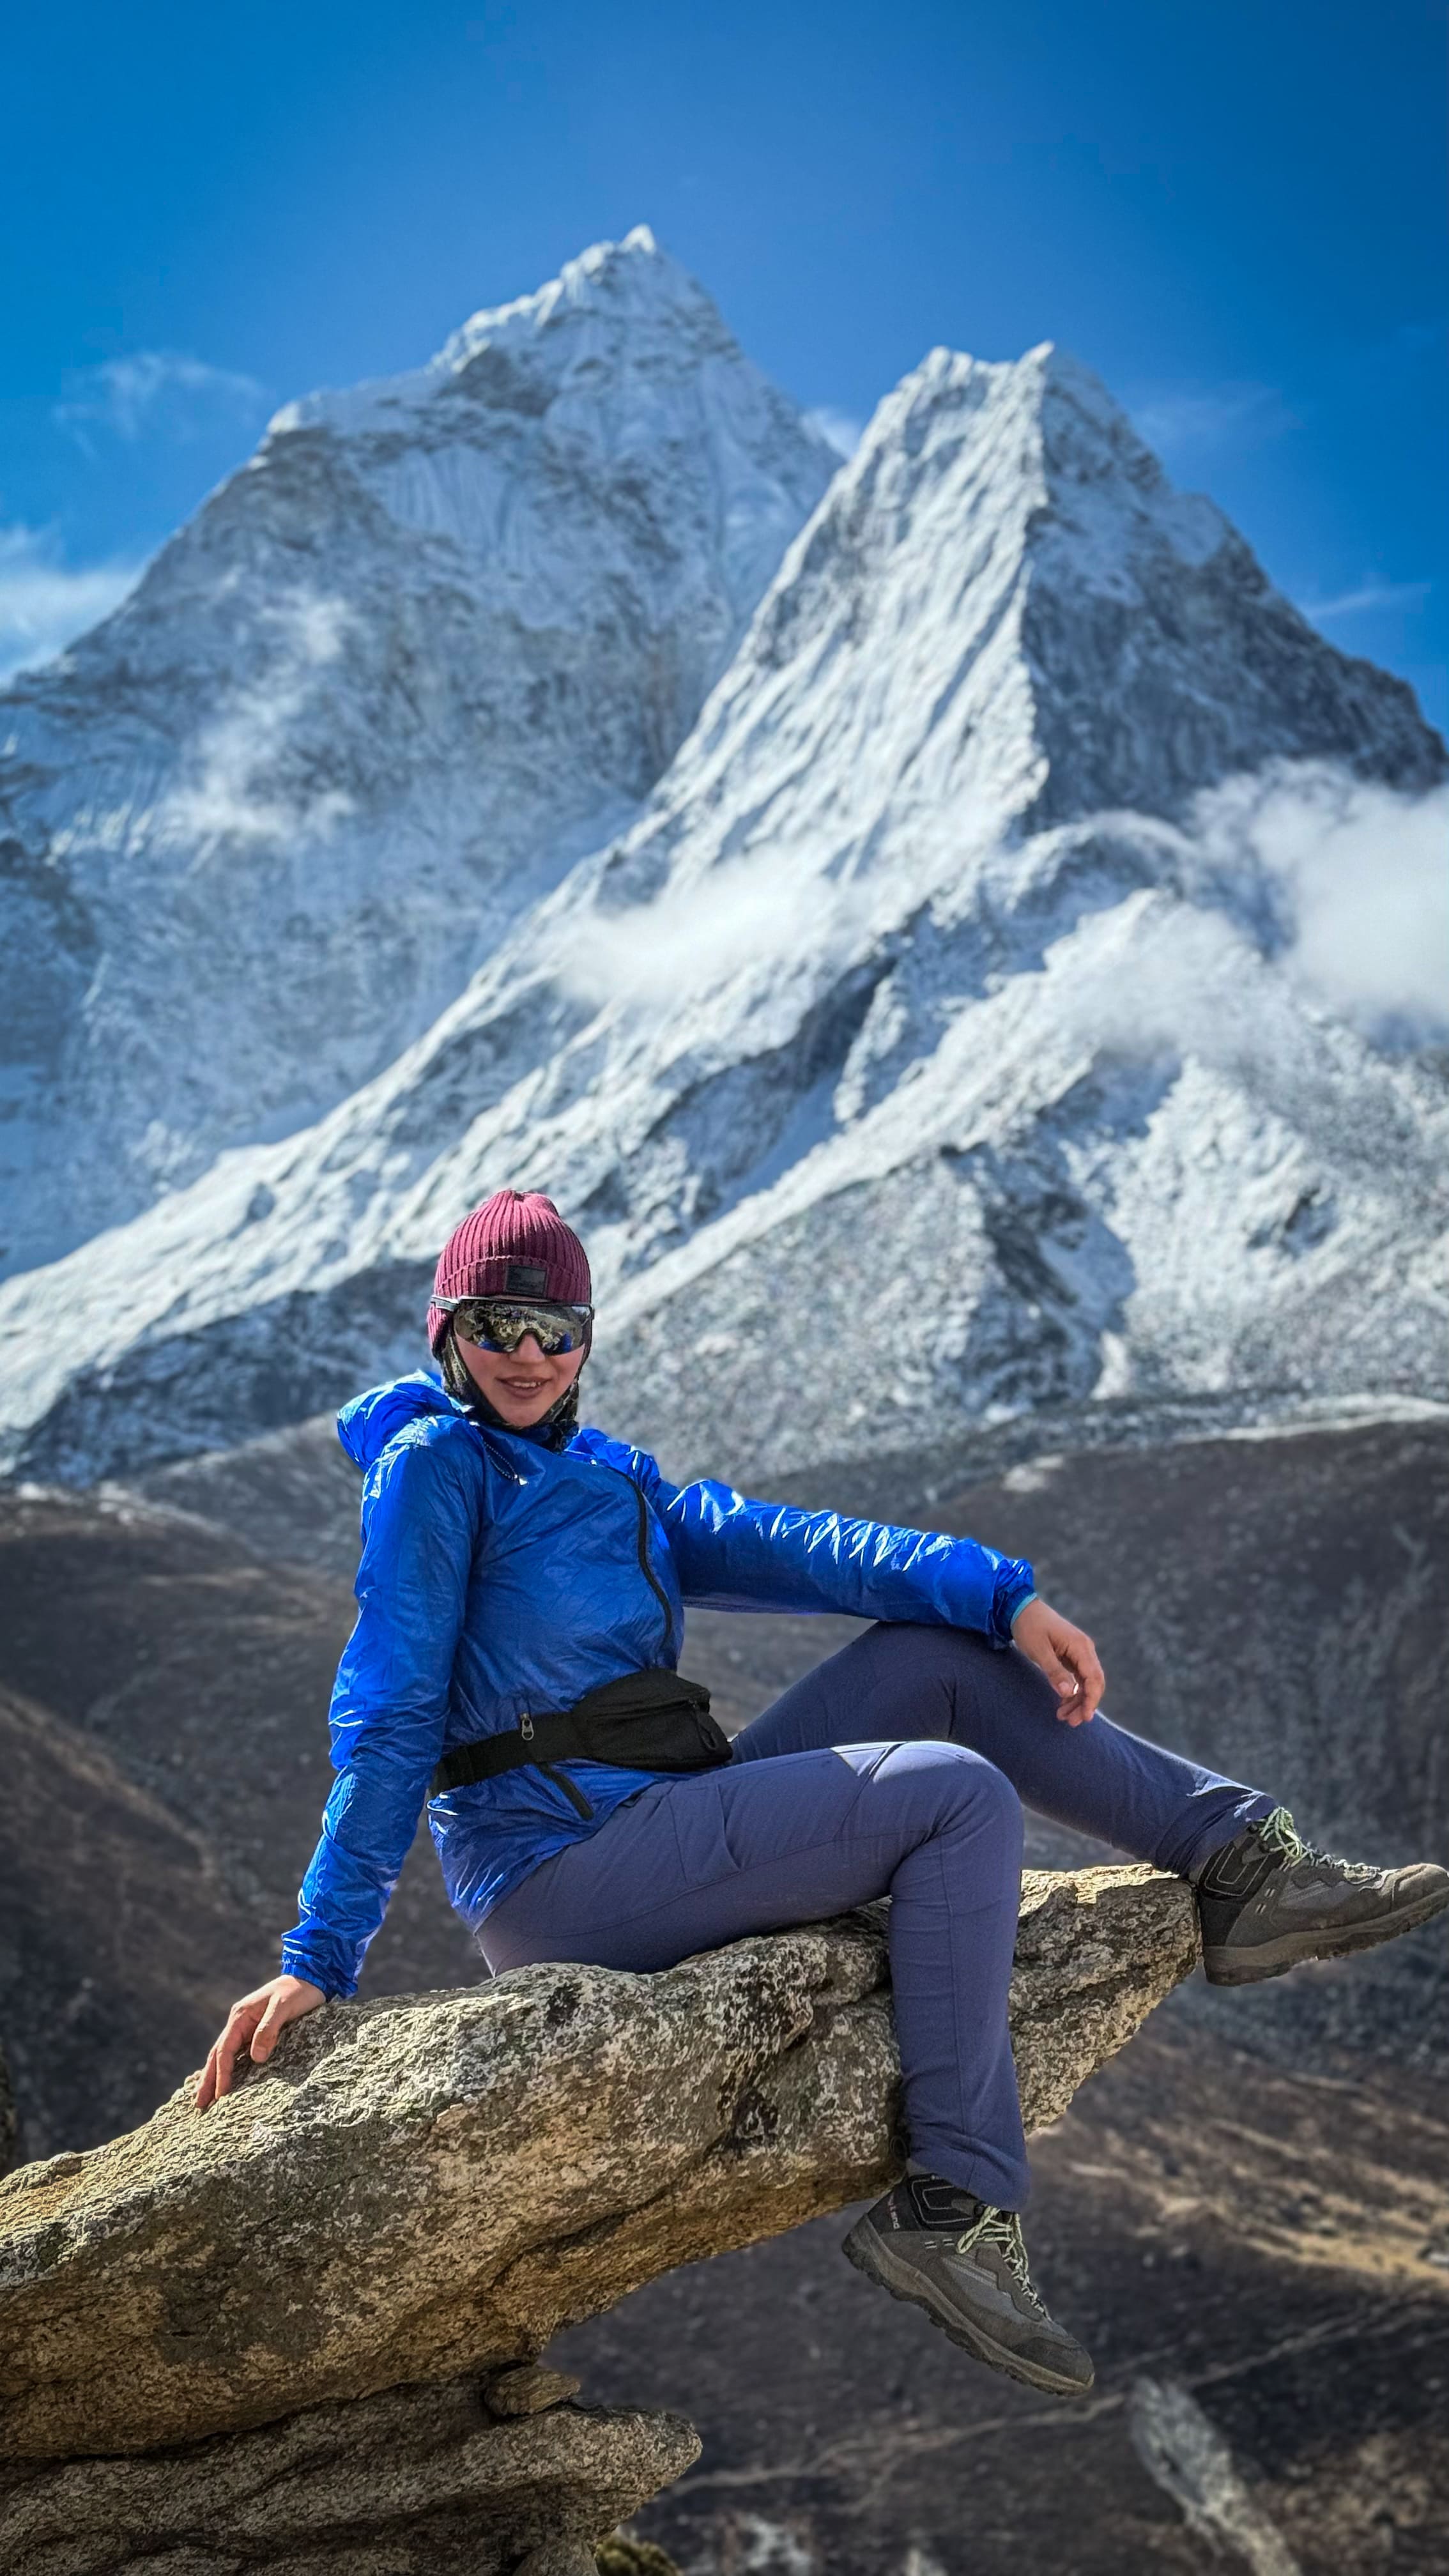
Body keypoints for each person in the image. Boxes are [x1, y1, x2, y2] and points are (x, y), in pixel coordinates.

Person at [197, 1189, 1449, 2398]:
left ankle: (1237, 1866)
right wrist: (322, 1953)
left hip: (659, 1818)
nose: (525, 1355)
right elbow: (391, 1708)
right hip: (561, 1875)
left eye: (554, 1329)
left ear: (587, 1342)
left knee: (939, 1656)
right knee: (952, 1797)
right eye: (494, 1326)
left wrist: (1002, 1590)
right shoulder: (435, 1471)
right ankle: (954, 2204)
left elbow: (805, 1545)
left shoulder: (614, 1481)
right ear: (447, 1337)